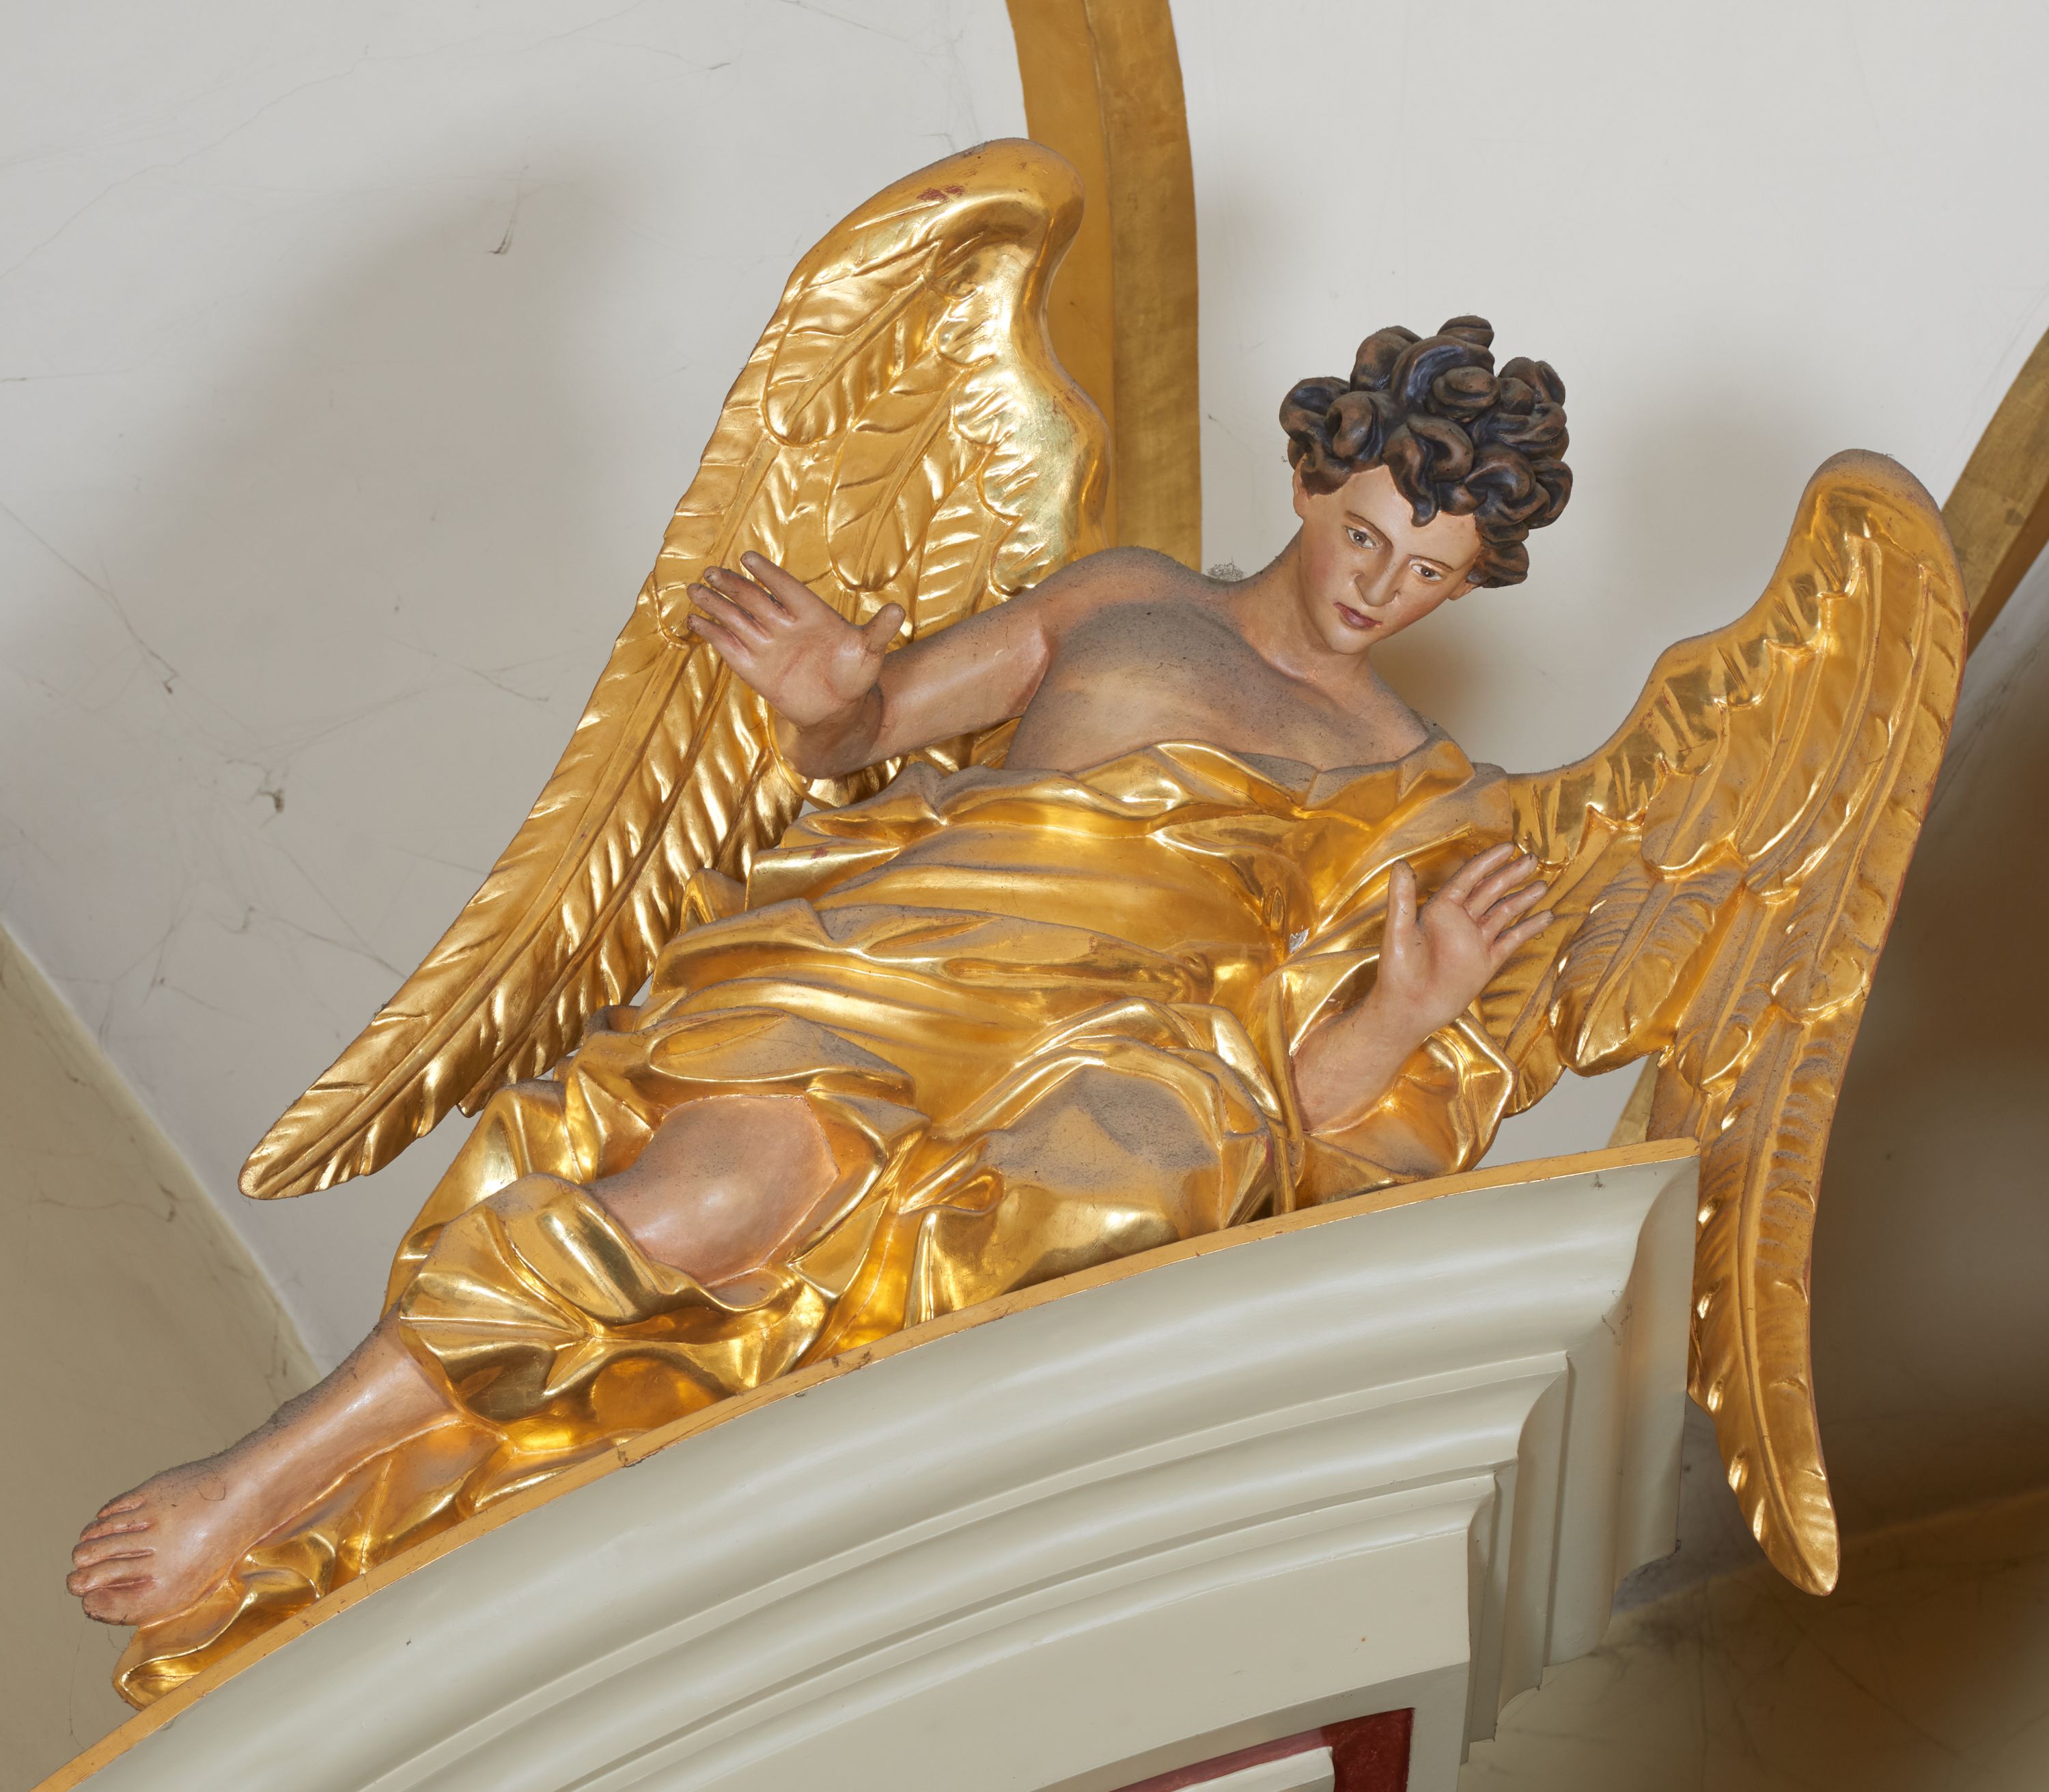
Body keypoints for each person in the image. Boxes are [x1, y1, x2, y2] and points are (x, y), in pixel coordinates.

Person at [68, 316, 1572, 1691]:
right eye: (1366, 535)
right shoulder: (1131, 599)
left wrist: (1408, 1010)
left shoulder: (1421, 790)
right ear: (1311, 483)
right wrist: (828, 691)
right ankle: (256, 1484)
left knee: (1102, 1244)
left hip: (1129, 1056)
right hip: (910, 957)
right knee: (705, 1200)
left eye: (1427, 572)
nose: (1378, 588)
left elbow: (1302, 1126)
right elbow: (874, 723)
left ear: (1468, 583)